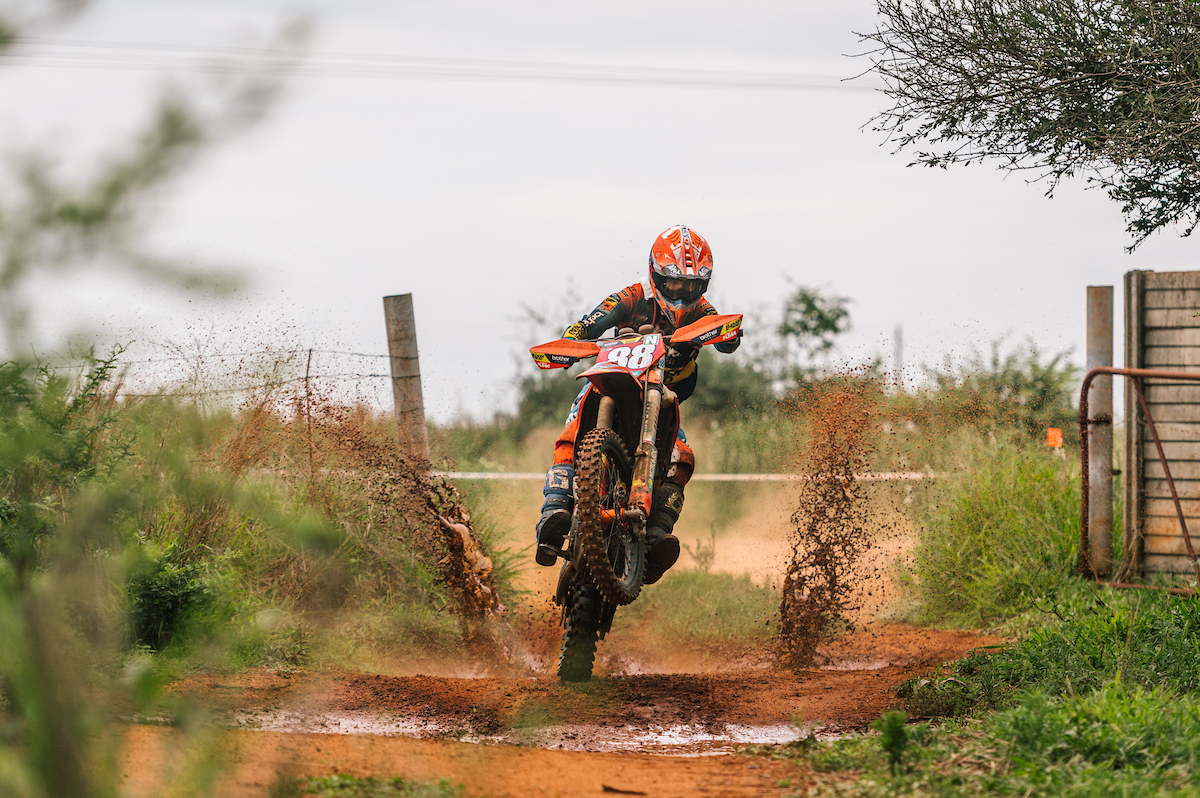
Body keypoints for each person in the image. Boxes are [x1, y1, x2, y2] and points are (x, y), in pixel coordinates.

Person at [534, 224, 741, 584]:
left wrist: (729, 334)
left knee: (683, 456)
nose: (679, 294)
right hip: (616, 383)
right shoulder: (633, 297)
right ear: (655, 274)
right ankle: (554, 511)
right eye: (672, 283)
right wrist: (574, 339)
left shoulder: (703, 310)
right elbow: (592, 321)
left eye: (689, 286)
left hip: (663, 397)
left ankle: (658, 532)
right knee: (571, 434)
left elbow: (725, 338)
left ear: (702, 286)